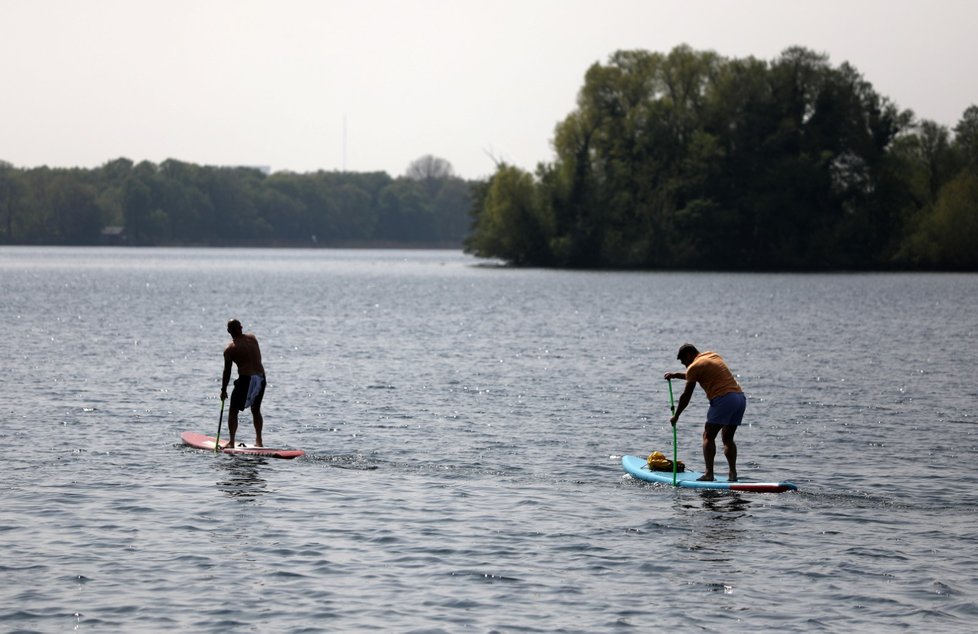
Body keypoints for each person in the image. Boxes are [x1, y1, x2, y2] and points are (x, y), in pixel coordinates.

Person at [663, 344, 746, 482]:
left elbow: (686, 395)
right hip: (739, 398)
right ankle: (733, 474)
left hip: (723, 399)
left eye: (684, 361)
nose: (684, 365)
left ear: (689, 355)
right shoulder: (711, 355)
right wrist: (676, 375)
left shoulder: (694, 367)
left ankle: (709, 474)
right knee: (728, 438)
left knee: (708, 435)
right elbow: (696, 375)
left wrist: (676, 416)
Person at [220, 319, 266, 448]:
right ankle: (259, 441)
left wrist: (223, 390)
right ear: (241, 327)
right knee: (255, 409)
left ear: (228, 331)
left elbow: (227, 371)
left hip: (246, 379)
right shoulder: (252, 338)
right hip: (261, 377)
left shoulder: (230, 349)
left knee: (233, 410)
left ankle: (232, 442)